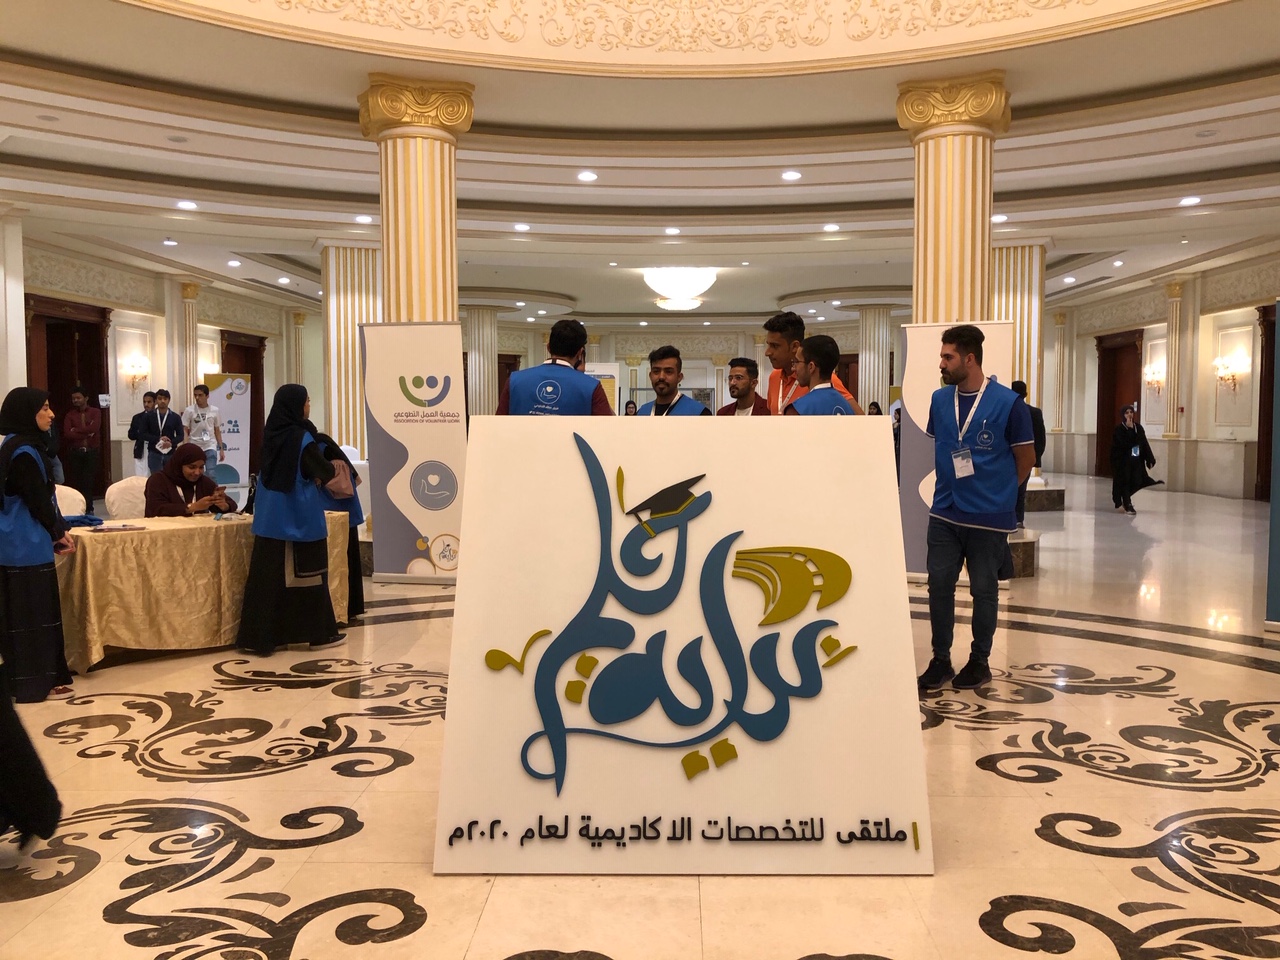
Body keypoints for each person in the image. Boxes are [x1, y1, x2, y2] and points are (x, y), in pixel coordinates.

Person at [918, 325, 1036, 692]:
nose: (941, 363)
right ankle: (940, 660)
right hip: (945, 510)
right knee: (939, 585)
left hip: (988, 515)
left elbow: (1026, 458)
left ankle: (980, 661)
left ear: (970, 359)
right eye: (942, 356)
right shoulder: (940, 400)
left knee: (984, 589)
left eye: (948, 357)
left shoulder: (1009, 404)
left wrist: (1000, 494)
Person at [236, 384, 341, 655]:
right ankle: (316, 634)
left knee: (268, 580)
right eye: (307, 401)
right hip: (298, 517)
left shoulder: (270, 434)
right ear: (296, 406)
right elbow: (324, 471)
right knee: (308, 577)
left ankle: (262, 638)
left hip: (270, 518)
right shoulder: (302, 438)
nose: (309, 406)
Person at [0, 388, 76, 703]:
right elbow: (37, 500)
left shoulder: (14, 445)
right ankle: (36, 684)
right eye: (44, 408)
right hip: (25, 545)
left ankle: (38, 679)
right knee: (33, 618)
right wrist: (57, 531)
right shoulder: (23, 453)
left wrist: (57, 528)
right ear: (26, 412)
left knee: (24, 617)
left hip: (16, 544)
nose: (51, 414)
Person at [496, 319, 612, 415]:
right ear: (579, 352)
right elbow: (608, 428)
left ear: (548, 347)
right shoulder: (591, 387)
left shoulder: (514, 380)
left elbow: (497, 425)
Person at [762, 312, 862, 415]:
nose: (767, 352)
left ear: (794, 346)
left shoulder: (821, 379)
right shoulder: (774, 377)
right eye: (768, 345)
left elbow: (860, 417)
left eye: (775, 346)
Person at [312, 430, 365, 621]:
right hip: (345, 513)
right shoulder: (327, 446)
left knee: (338, 563)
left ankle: (343, 607)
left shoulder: (318, 450)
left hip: (333, 513)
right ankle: (353, 606)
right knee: (350, 561)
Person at [144, 443, 235, 517]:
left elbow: (231, 504)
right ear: (179, 465)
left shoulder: (203, 482)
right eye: (192, 467)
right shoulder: (158, 480)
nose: (197, 472)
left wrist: (224, 506)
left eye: (201, 467)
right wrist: (192, 507)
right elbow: (155, 509)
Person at [784, 336, 856, 416]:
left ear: (811, 367)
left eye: (797, 361)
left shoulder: (798, 409)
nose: (793, 368)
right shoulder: (847, 407)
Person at [1110, 404, 1160, 515]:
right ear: (1123, 415)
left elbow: (1144, 443)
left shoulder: (1138, 428)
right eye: (1127, 413)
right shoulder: (1119, 429)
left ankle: (1125, 497)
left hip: (1136, 460)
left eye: (1131, 412)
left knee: (1137, 480)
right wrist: (1129, 430)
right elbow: (1124, 444)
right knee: (1125, 481)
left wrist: (1150, 459)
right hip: (1123, 461)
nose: (1129, 415)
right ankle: (1127, 503)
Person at [1010, 381, 1047, 527]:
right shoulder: (1035, 412)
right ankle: (1018, 519)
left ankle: (1011, 517)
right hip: (1026, 457)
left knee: (1012, 488)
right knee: (1021, 489)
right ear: (1025, 394)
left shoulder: (1008, 411)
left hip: (1010, 457)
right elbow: (1041, 439)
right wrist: (1035, 457)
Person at [637, 346, 712, 416]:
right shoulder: (641, 413)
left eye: (668, 371)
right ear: (650, 376)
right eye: (656, 371)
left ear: (679, 377)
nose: (661, 377)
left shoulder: (699, 413)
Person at [62, 386, 101, 514]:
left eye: (78, 398)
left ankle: (89, 509)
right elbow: (68, 433)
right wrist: (86, 433)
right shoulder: (70, 415)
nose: (76, 400)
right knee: (77, 482)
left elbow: (94, 428)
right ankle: (77, 508)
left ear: (86, 398)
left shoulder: (95, 412)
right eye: (74, 398)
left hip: (91, 452)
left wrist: (76, 430)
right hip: (75, 452)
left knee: (88, 482)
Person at [183, 385, 225, 476]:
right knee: (195, 473)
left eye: (200, 395)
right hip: (194, 445)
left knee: (211, 473)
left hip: (210, 445)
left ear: (207, 396)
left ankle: (212, 485)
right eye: (195, 395)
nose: (197, 398)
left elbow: (217, 430)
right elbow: (185, 430)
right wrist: (186, 447)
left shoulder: (215, 410)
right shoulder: (189, 410)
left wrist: (221, 449)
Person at [141, 389, 184, 474]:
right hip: (154, 452)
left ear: (169, 400)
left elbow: (181, 435)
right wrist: (158, 439)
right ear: (156, 401)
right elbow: (143, 434)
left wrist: (171, 442)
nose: (162, 401)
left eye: (165, 399)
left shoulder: (175, 417)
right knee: (156, 477)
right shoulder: (148, 416)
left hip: (170, 452)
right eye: (160, 398)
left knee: (170, 476)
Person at [128, 391, 157, 478]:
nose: (146, 404)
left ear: (155, 402)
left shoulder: (158, 417)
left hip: (154, 449)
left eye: (149, 402)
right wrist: (140, 433)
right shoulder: (137, 417)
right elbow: (131, 435)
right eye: (144, 402)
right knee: (140, 476)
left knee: (152, 475)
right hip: (140, 449)